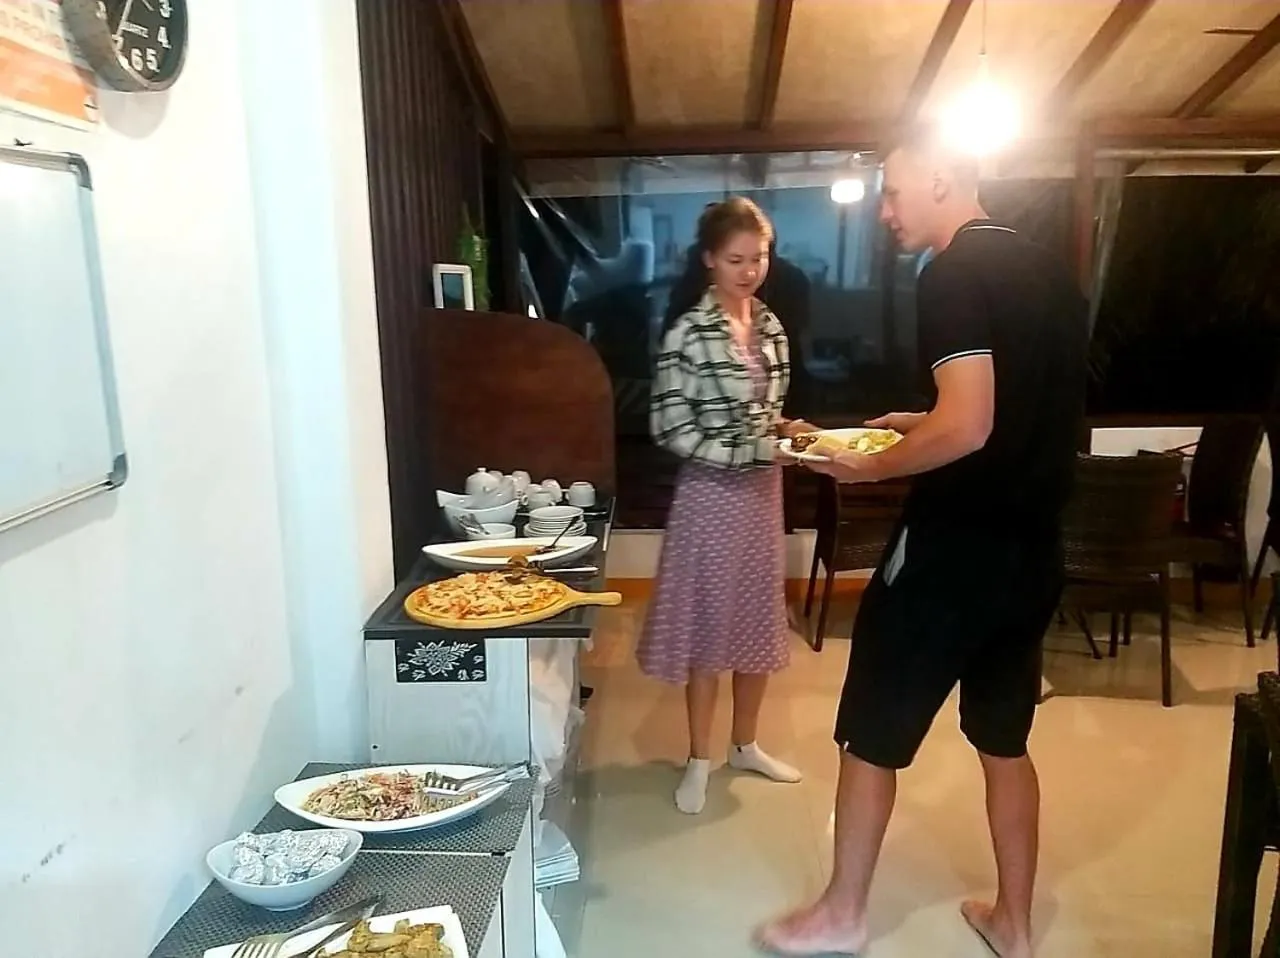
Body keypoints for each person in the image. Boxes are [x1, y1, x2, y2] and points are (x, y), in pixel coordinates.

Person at [757, 127, 1088, 957]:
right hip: (1034, 549)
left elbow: (970, 425)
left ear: (944, 178)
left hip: (952, 549)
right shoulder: (1049, 268)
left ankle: (842, 913)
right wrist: (920, 425)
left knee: (870, 726)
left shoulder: (951, 273)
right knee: (1005, 738)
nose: (887, 211)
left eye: (898, 193)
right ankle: (1013, 924)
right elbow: (1015, 411)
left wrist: (872, 470)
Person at [640, 197, 814, 815]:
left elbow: (763, 413)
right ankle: (698, 759)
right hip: (710, 498)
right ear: (710, 259)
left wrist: (789, 432)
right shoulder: (688, 331)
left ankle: (746, 744)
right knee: (710, 631)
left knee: (758, 621)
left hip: (765, 495)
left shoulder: (770, 326)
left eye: (759, 257)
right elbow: (668, 427)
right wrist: (754, 450)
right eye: (736, 259)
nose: (749, 270)